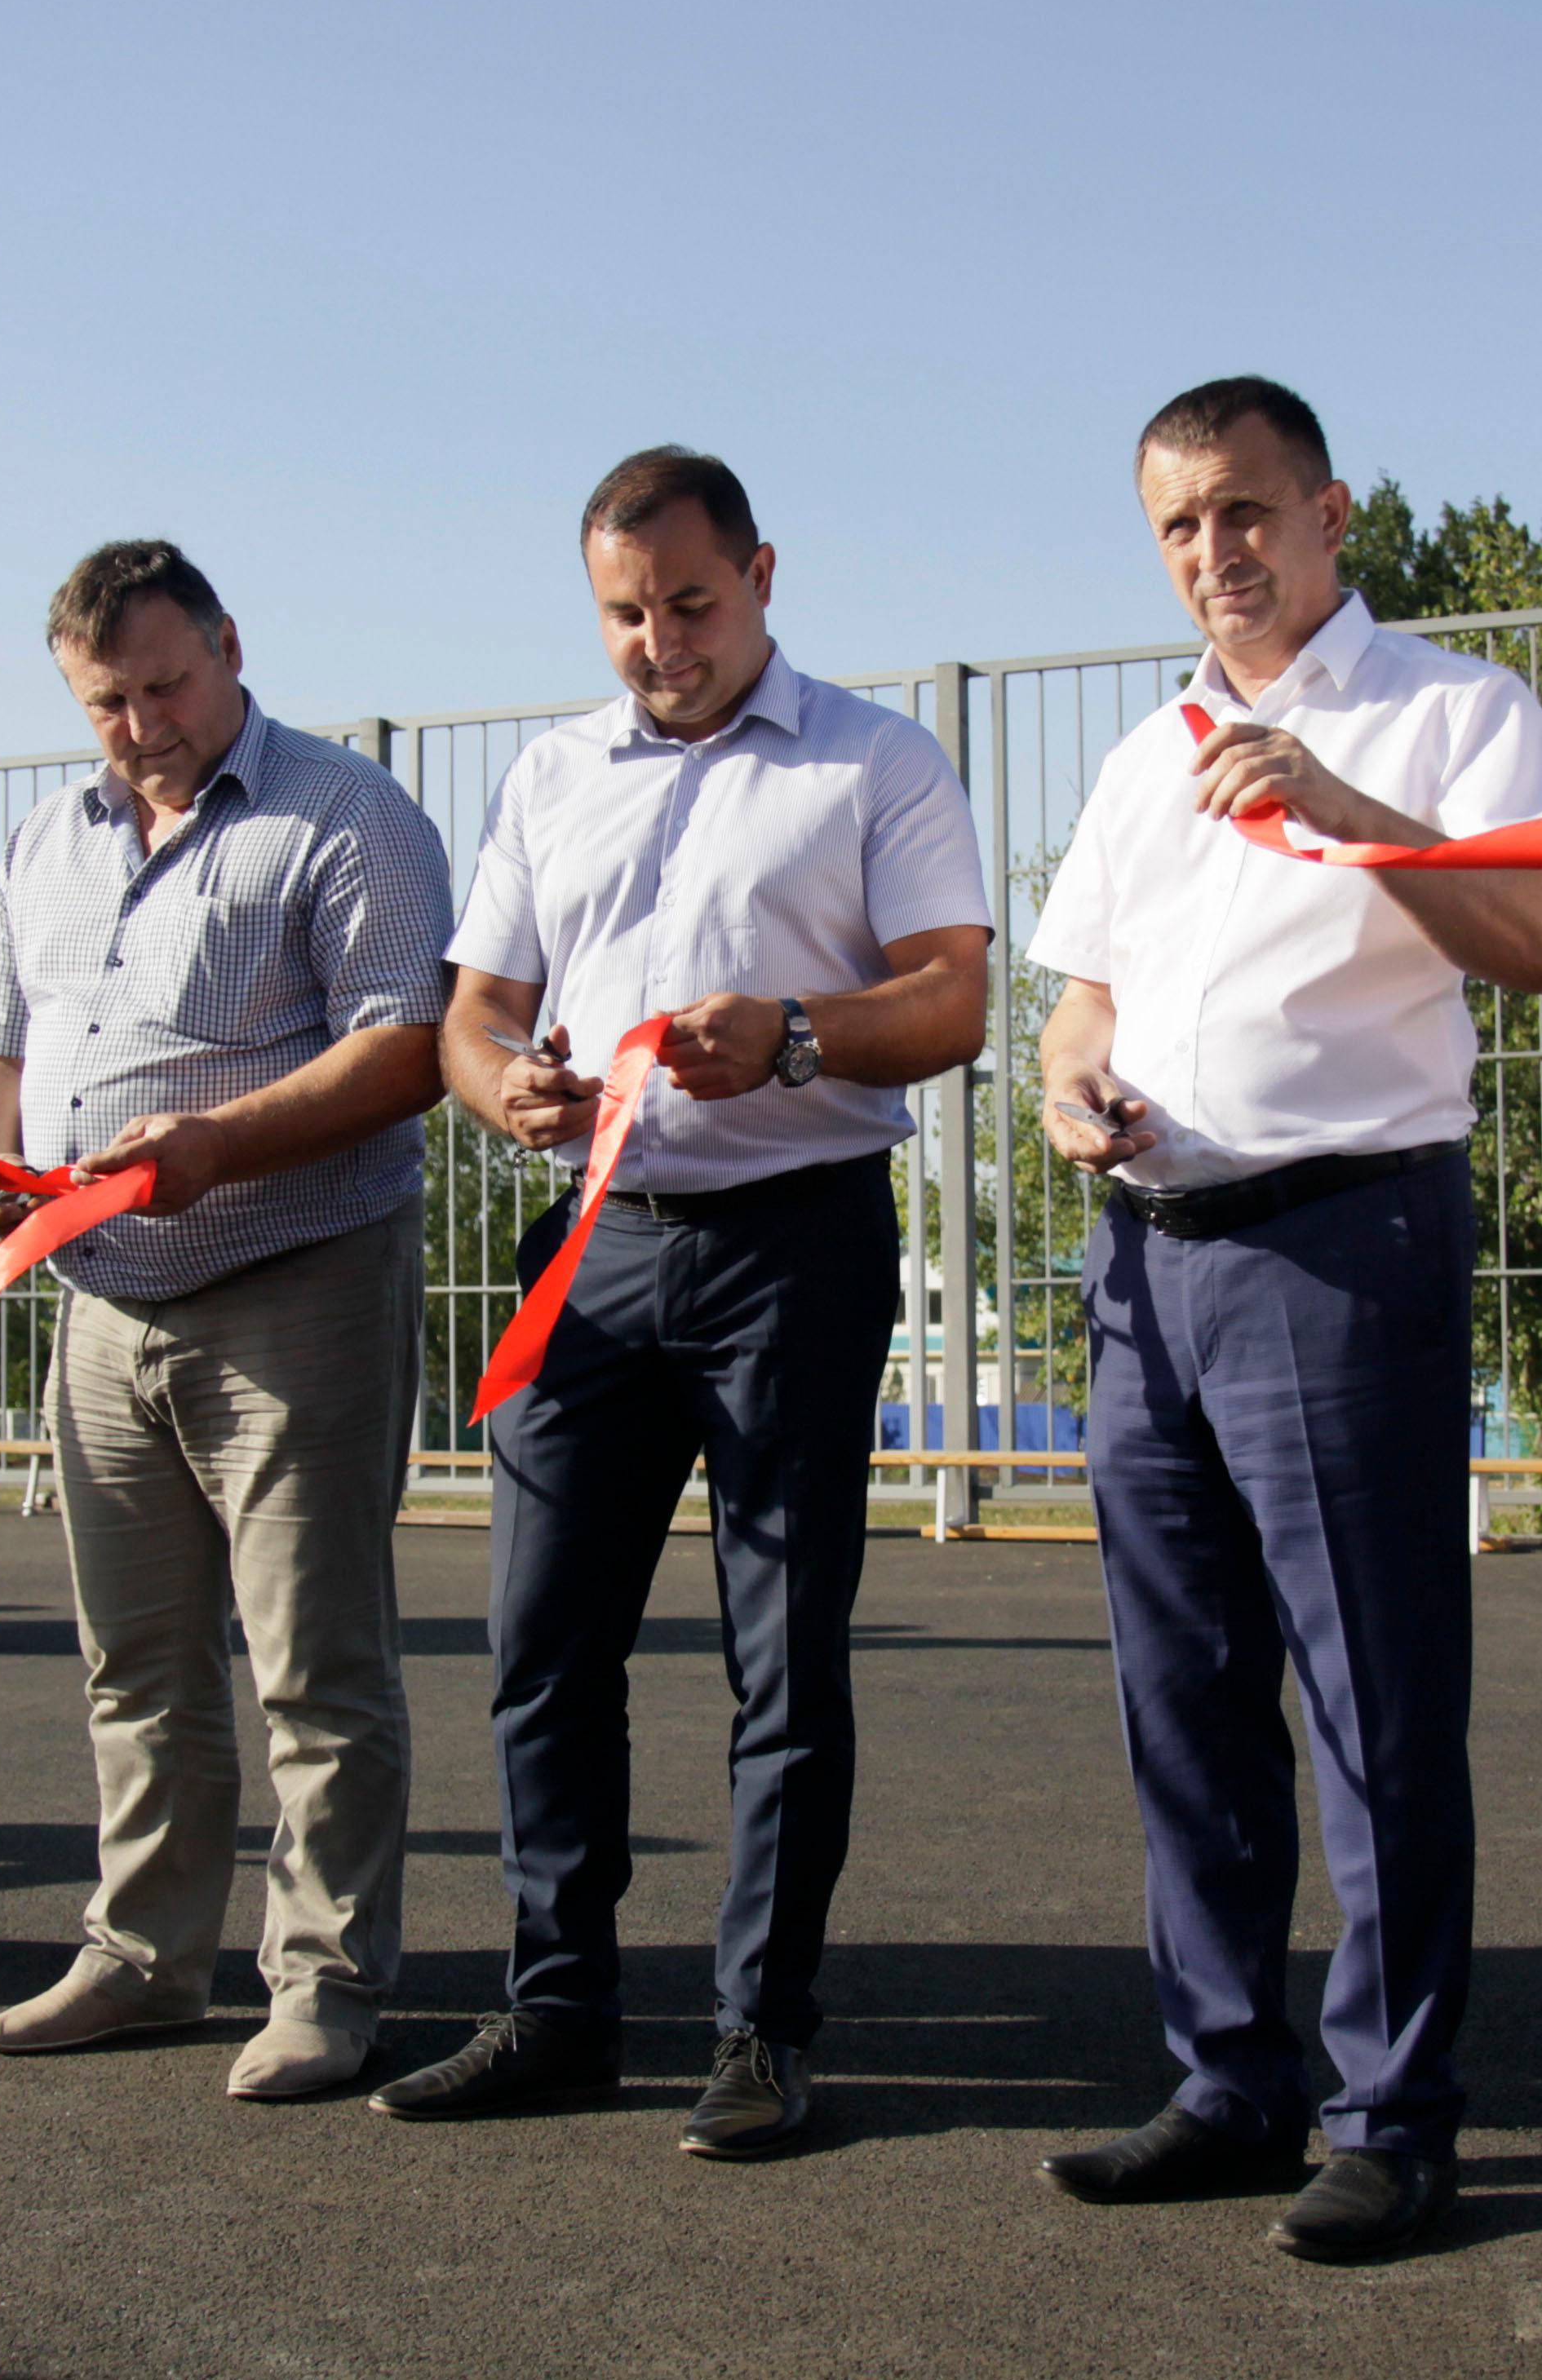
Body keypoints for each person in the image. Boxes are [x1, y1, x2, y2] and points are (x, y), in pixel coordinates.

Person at [1024, 378, 1542, 2260]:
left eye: (1246, 513)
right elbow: (1076, 1003)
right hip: (1148, 1260)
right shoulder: (1141, 750)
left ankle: (1392, 2107)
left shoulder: (1453, 712)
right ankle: (1228, 2076)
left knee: (1369, 1698)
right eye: (1178, 526)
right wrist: (1065, 1088)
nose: (1214, 555)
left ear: (1329, 511)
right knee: (1180, 1696)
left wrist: (1349, 810)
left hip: (1344, 1245)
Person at [372, 447, 989, 2158]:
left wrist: (792, 1032)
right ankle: (558, 2003)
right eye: (624, 614)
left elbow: (950, 1001)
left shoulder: (877, 759)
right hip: (593, 1245)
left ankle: (759, 2027)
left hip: (793, 1237)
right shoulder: (549, 774)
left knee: (777, 1651)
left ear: (763, 574)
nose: (659, 641)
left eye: (690, 603)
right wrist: (502, 1088)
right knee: (538, 1641)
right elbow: (470, 1014)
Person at [0, 538, 450, 2101]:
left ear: (231, 645)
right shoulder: (47, 840)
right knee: (139, 1662)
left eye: (167, 682)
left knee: (316, 1663)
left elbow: (407, 1046)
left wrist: (206, 1151)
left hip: (298, 1280)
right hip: (101, 1305)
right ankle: (148, 1958)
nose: (144, 721)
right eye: (107, 700)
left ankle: (327, 1982)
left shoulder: (347, 815)